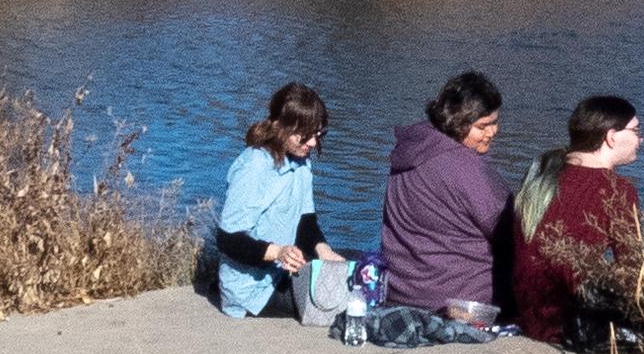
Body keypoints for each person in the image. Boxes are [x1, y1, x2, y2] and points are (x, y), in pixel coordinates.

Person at [510, 93, 644, 350]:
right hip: (571, 325)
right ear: (611, 136)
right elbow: (634, 269)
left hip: (531, 315)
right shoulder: (616, 190)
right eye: (636, 130)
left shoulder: (541, 174)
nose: (641, 139)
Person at [376, 69, 513, 317]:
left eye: (494, 122)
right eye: (484, 125)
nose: (494, 132)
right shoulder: (464, 167)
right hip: (459, 300)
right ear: (457, 122)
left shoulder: (409, 150)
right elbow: (508, 230)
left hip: (399, 291)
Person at [212, 81, 348, 319]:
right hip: (251, 292)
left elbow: (305, 220)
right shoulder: (254, 167)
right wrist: (278, 252)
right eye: (305, 135)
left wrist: (323, 250)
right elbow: (227, 240)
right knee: (341, 302)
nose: (313, 143)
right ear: (280, 126)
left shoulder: (301, 161)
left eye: (318, 134)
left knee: (358, 268)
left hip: (283, 272)